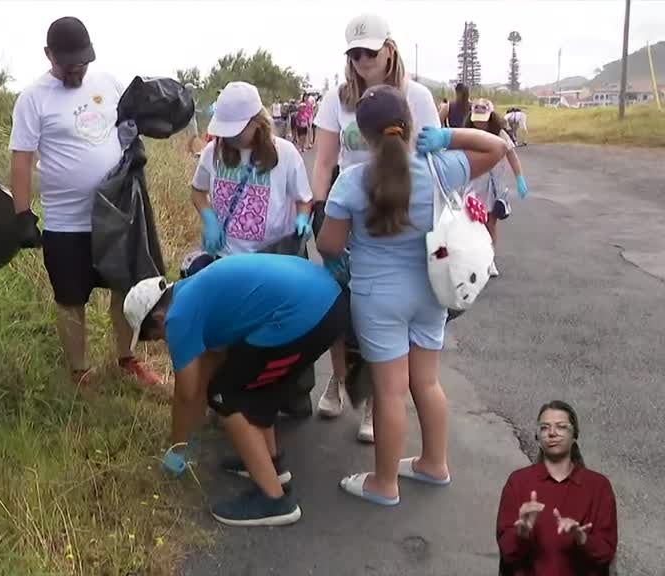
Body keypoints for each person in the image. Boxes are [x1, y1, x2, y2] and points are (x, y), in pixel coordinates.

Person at [316, 85, 509, 506]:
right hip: (432, 290)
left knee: (389, 391)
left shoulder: (351, 182)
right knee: (427, 381)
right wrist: (448, 136)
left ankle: (384, 484)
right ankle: (433, 463)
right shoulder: (440, 167)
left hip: (378, 298)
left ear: (362, 135)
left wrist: (341, 256)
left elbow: (329, 244)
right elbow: (497, 147)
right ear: (410, 125)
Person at [124, 254, 349, 526]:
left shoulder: (178, 316)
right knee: (249, 385)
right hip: (325, 300)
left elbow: (186, 395)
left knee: (227, 397)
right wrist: (190, 429)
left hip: (307, 314)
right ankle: (271, 465)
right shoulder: (193, 293)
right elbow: (207, 373)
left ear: (159, 318)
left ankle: (274, 501)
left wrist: (176, 451)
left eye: (156, 337)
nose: (163, 341)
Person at [310, 13, 441, 442]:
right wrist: (317, 209)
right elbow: (324, 161)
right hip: (351, 209)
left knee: (386, 308)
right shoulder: (337, 99)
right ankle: (340, 379)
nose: (363, 60)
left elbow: (435, 160)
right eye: (355, 53)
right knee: (342, 302)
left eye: (370, 51)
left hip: (401, 215)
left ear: (389, 49)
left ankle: (375, 400)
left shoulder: (416, 96)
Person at [9, 16, 160, 387]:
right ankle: (79, 372)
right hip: (65, 222)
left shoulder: (108, 84)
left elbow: (132, 124)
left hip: (115, 214)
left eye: (84, 63)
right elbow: (21, 159)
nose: (78, 70)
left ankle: (127, 360)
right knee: (70, 297)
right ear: (49, 55)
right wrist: (22, 214)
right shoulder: (33, 98)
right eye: (69, 65)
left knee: (125, 287)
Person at [191, 81, 313, 259]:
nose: (229, 137)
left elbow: (303, 199)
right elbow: (197, 191)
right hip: (225, 257)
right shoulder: (212, 151)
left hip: (273, 257)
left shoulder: (286, 153)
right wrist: (209, 218)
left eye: (236, 132)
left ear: (256, 123)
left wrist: (302, 219)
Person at [496, 401, 618, 575]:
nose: (552, 433)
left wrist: (582, 539)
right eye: (544, 428)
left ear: (574, 435)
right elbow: (507, 553)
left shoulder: (598, 486)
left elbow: (606, 552)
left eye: (561, 427)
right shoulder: (518, 482)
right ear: (538, 438)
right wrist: (521, 534)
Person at [466, 99, 529, 278]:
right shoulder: (467, 133)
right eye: (476, 119)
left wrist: (519, 178)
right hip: (473, 185)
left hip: (494, 186)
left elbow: (512, 155)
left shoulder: (499, 134)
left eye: (483, 119)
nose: (479, 123)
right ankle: (476, 258)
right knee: (474, 224)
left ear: (490, 116)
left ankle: (489, 259)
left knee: (490, 223)